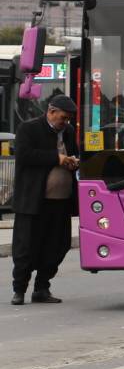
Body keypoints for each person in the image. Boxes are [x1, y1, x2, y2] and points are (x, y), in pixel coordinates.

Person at [10, 94, 79, 305]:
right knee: (27, 247)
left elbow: (73, 153)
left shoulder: (68, 132)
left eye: (67, 119)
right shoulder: (28, 129)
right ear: (50, 112)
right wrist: (56, 158)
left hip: (60, 202)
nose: (64, 123)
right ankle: (19, 289)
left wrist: (73, 161)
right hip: (33, 201)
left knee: (58, 245)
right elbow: (24, 155)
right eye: (62, 118)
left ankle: (42, 287)